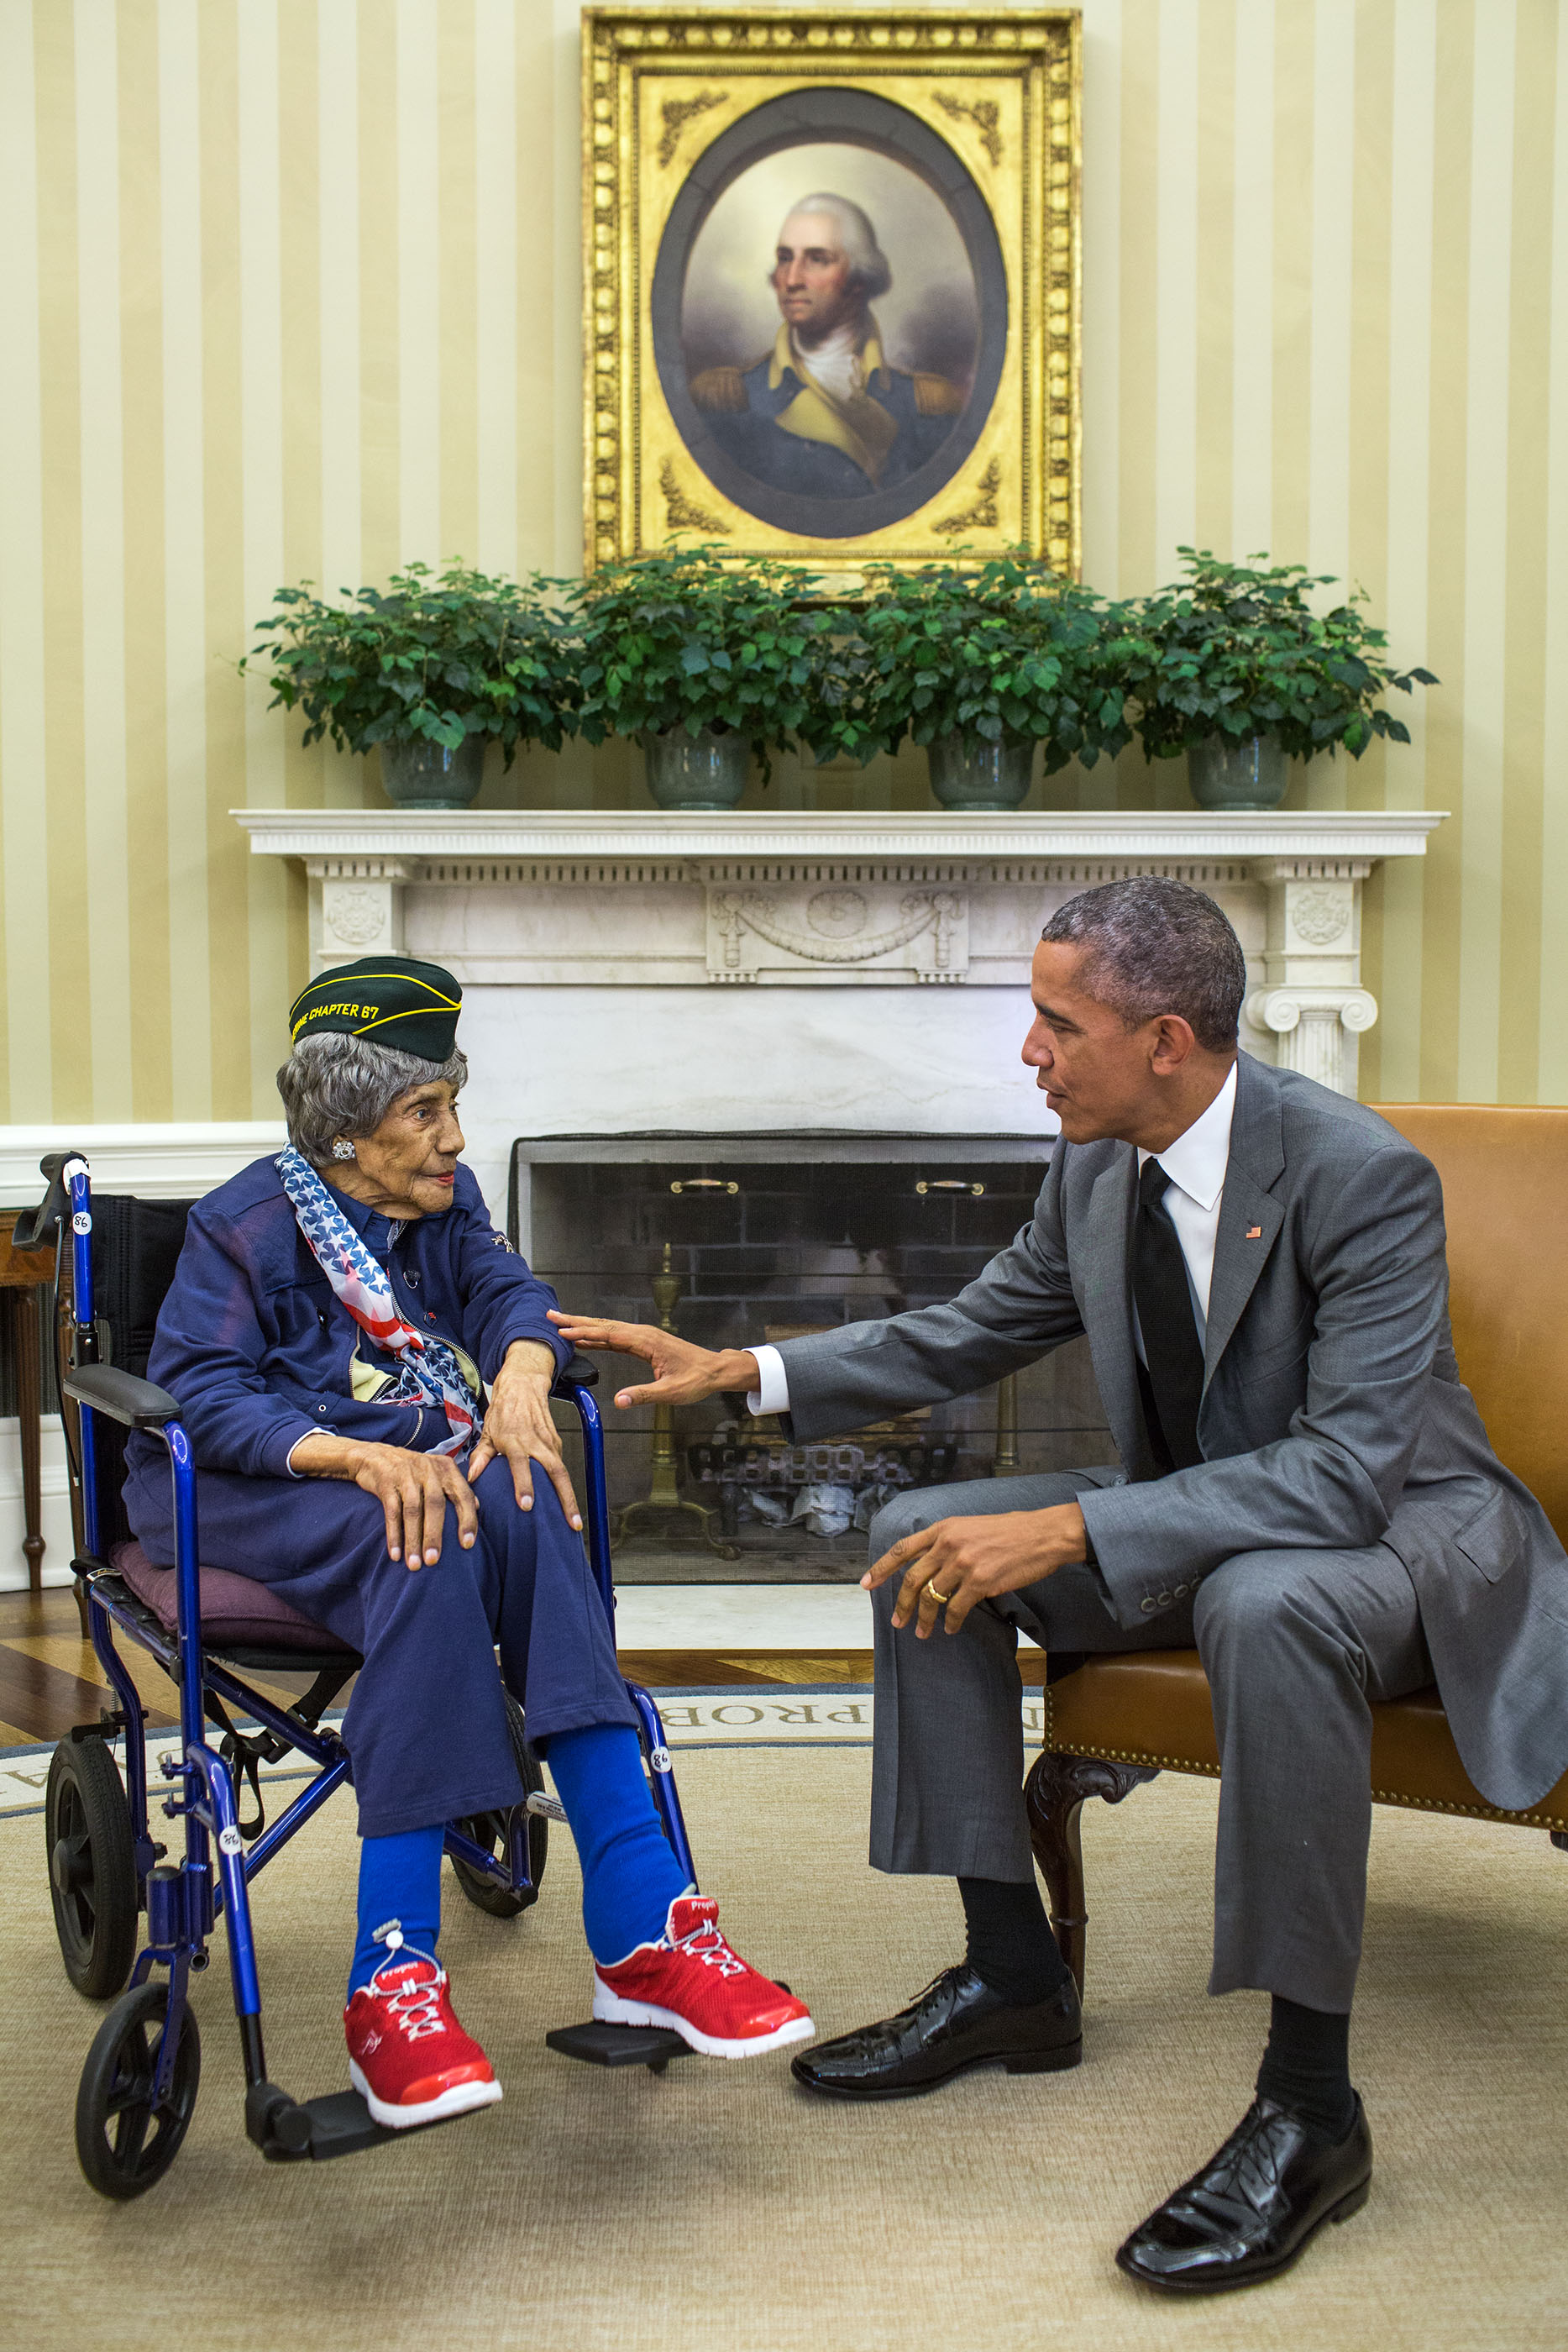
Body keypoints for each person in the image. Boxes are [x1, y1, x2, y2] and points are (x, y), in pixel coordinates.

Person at [553, 877, 1568, 2294]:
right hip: (1216, 1516)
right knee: (930, 1540)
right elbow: (977, 1324)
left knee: (1265, 1603)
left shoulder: (1357, 1173)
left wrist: (1075, 1533)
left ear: (1165, 1037)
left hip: (1405, 1530)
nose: (1026, 1053)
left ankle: (1309, 2109)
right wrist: (751, 1371)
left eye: (1053, 1022)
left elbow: (1341, 1477)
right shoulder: (1099, 1162)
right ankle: (1012, 1976)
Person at [123, 954, 811, 2131]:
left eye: (452, 1104)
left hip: (419, 1460)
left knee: (525, 1486)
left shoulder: (442, 1203)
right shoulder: (246, 1224)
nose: (453, 1137)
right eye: (424, 1112)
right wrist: (353, 1454)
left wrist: (524, 1377)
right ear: (343, 1134)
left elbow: (504, 1293)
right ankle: (390, 1980)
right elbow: (203, 1396)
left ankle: (643, 1934)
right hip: (260, 1484)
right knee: (431, 1524)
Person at [689, 192, 963, 498]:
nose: (791, 279)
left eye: (817, 260)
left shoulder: (927, 406)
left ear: (859, 277)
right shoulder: (729, 401)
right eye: (785, 258)